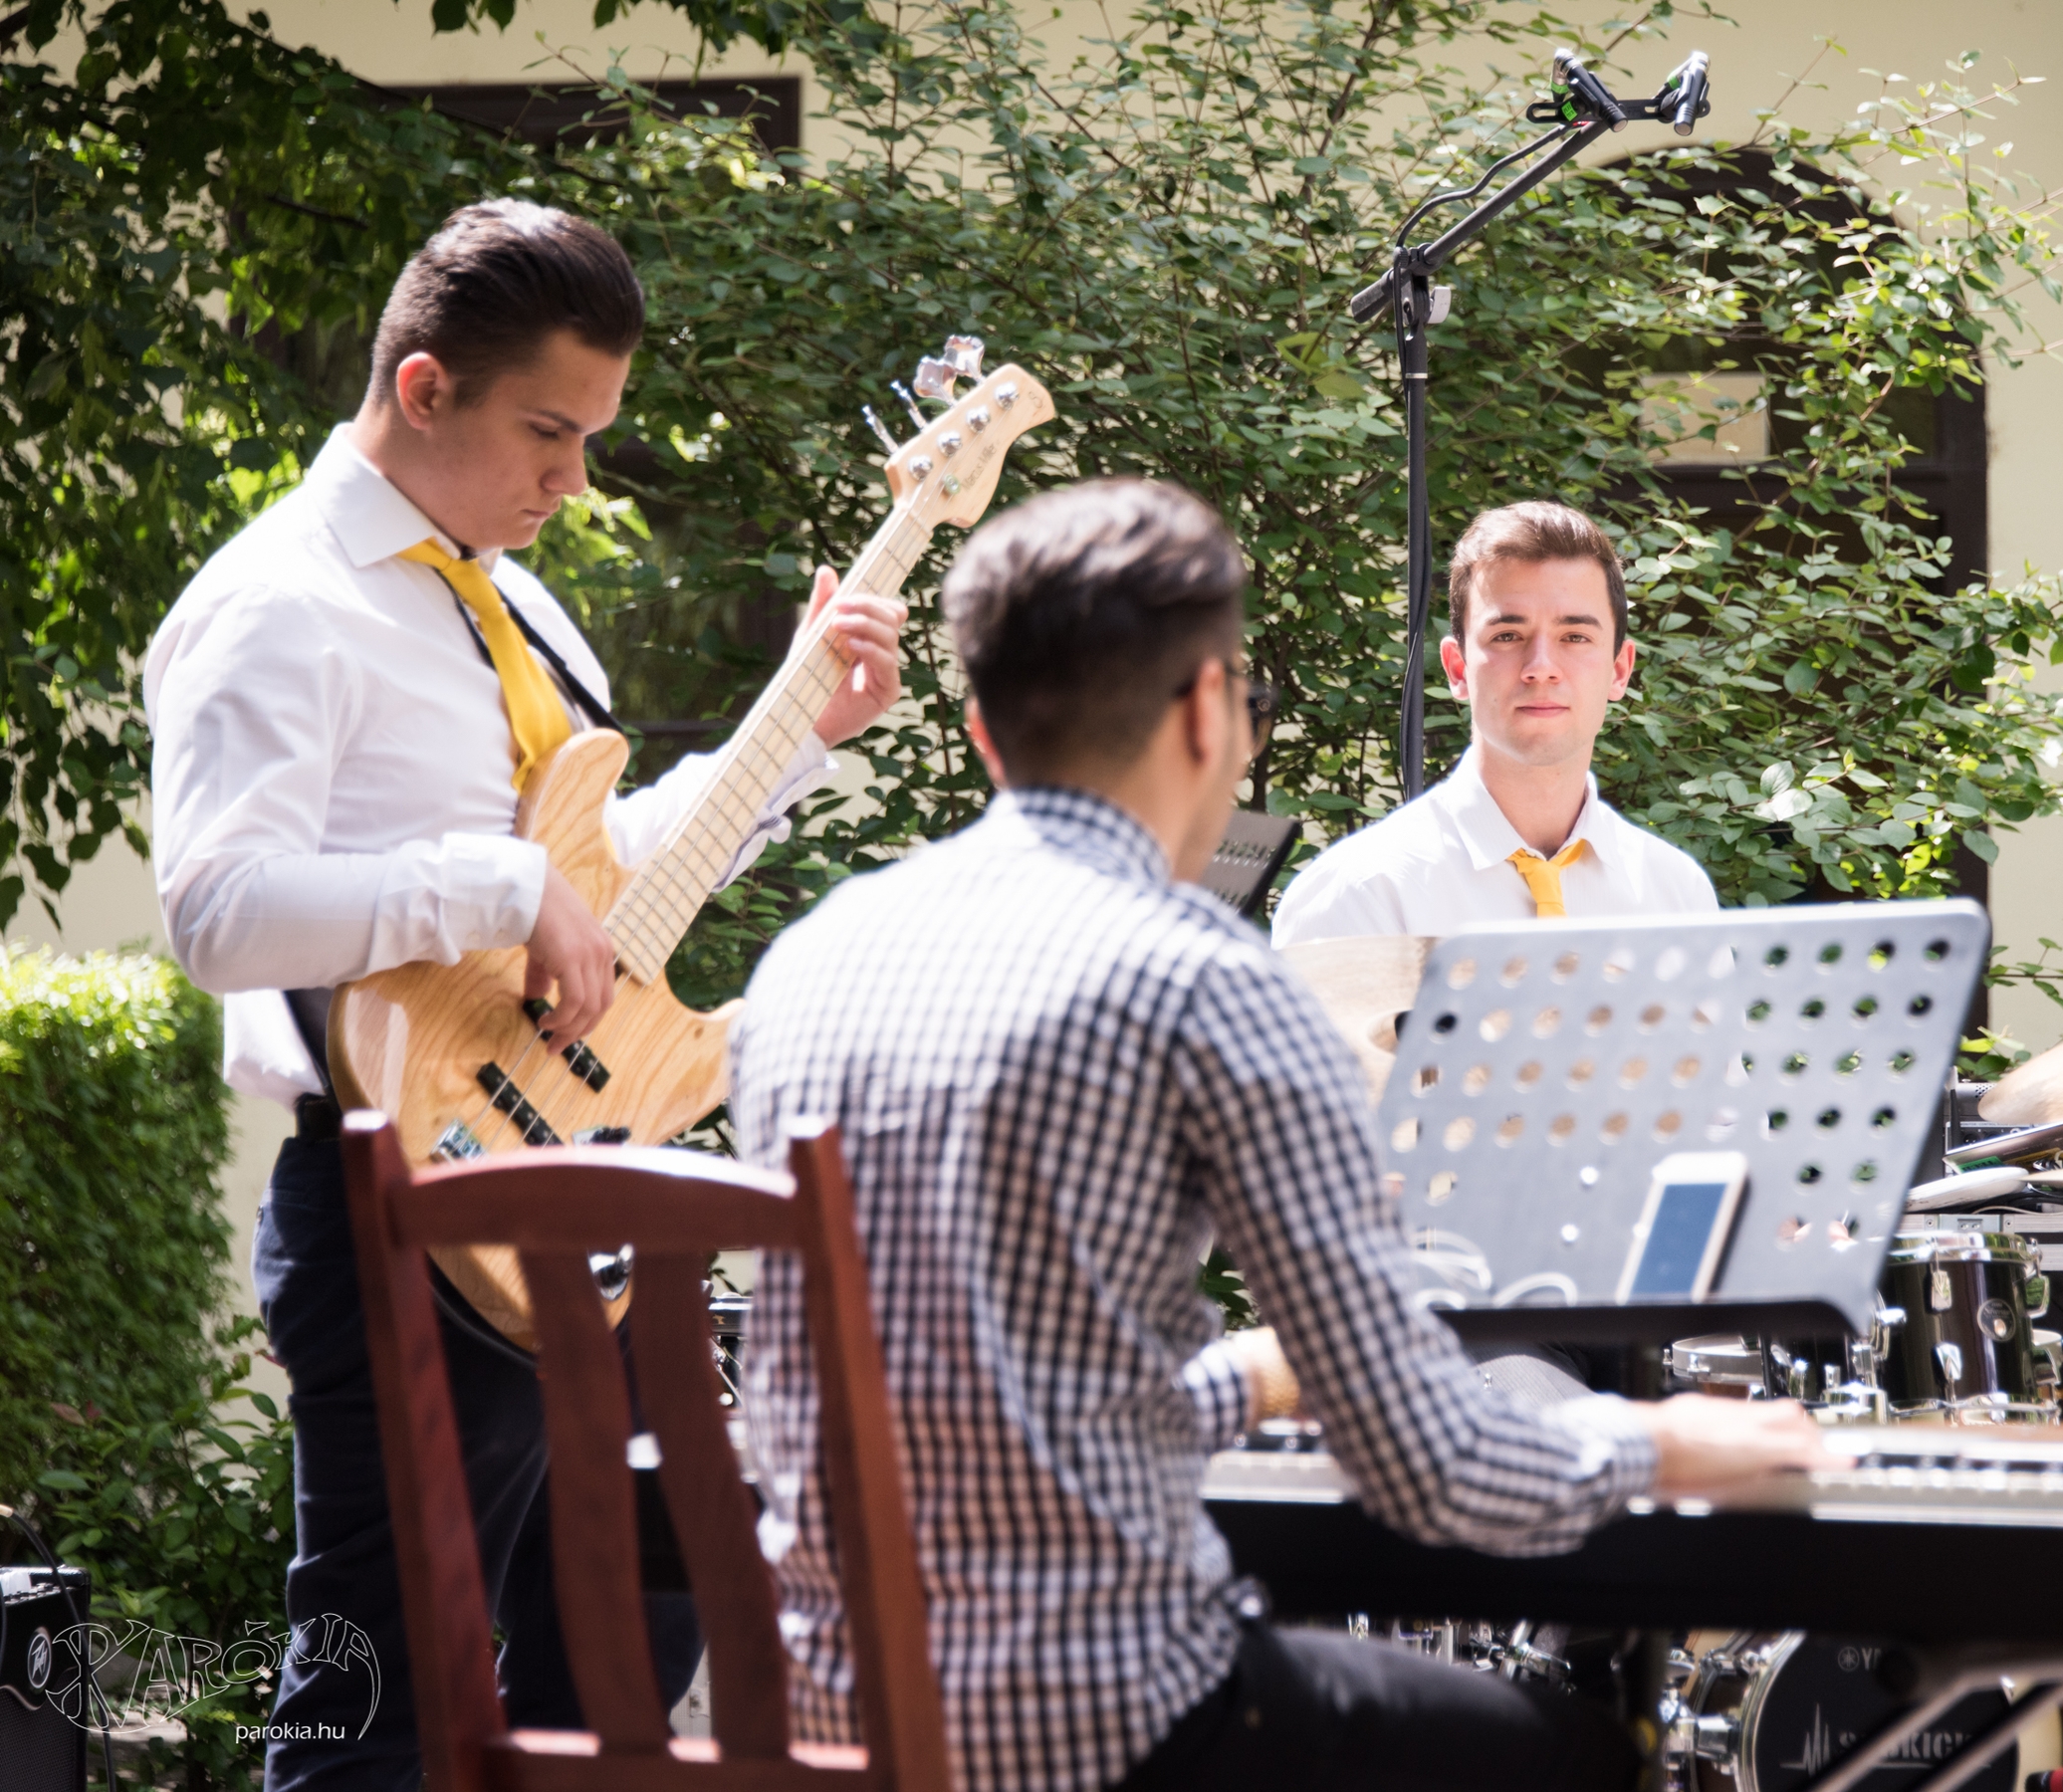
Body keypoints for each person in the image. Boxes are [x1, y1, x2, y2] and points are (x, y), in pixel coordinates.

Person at [730, 478, 1827, 1792]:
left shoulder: (810, 962)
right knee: (1587, 1758)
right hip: (1113, 1726)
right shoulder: (1199, 977)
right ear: (1210, 715)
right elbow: (1430, 1461)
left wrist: (1249, 1375)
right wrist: (1670, 1447)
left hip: (836, 1718)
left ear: (981, 729)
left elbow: (995, 1403)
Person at [144, 199, 908, 1790]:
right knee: (385, 1704)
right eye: (548, 434)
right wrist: (495, 887)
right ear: (424, 390)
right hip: (394, 1205)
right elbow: (215, 912)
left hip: (577, 1188)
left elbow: (599, 881)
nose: (575, 479)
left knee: (650, 1616)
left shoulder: (513, 597)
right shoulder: (277, 603)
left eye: (594, 438)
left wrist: (796, 742)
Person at [1270, 500, 1718, 947]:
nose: (1541, 667)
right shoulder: (1361, 895)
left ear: (1619, 670)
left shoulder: (1678, 896)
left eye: (1575, 637)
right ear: (1457, 668)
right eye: (1507, 636)